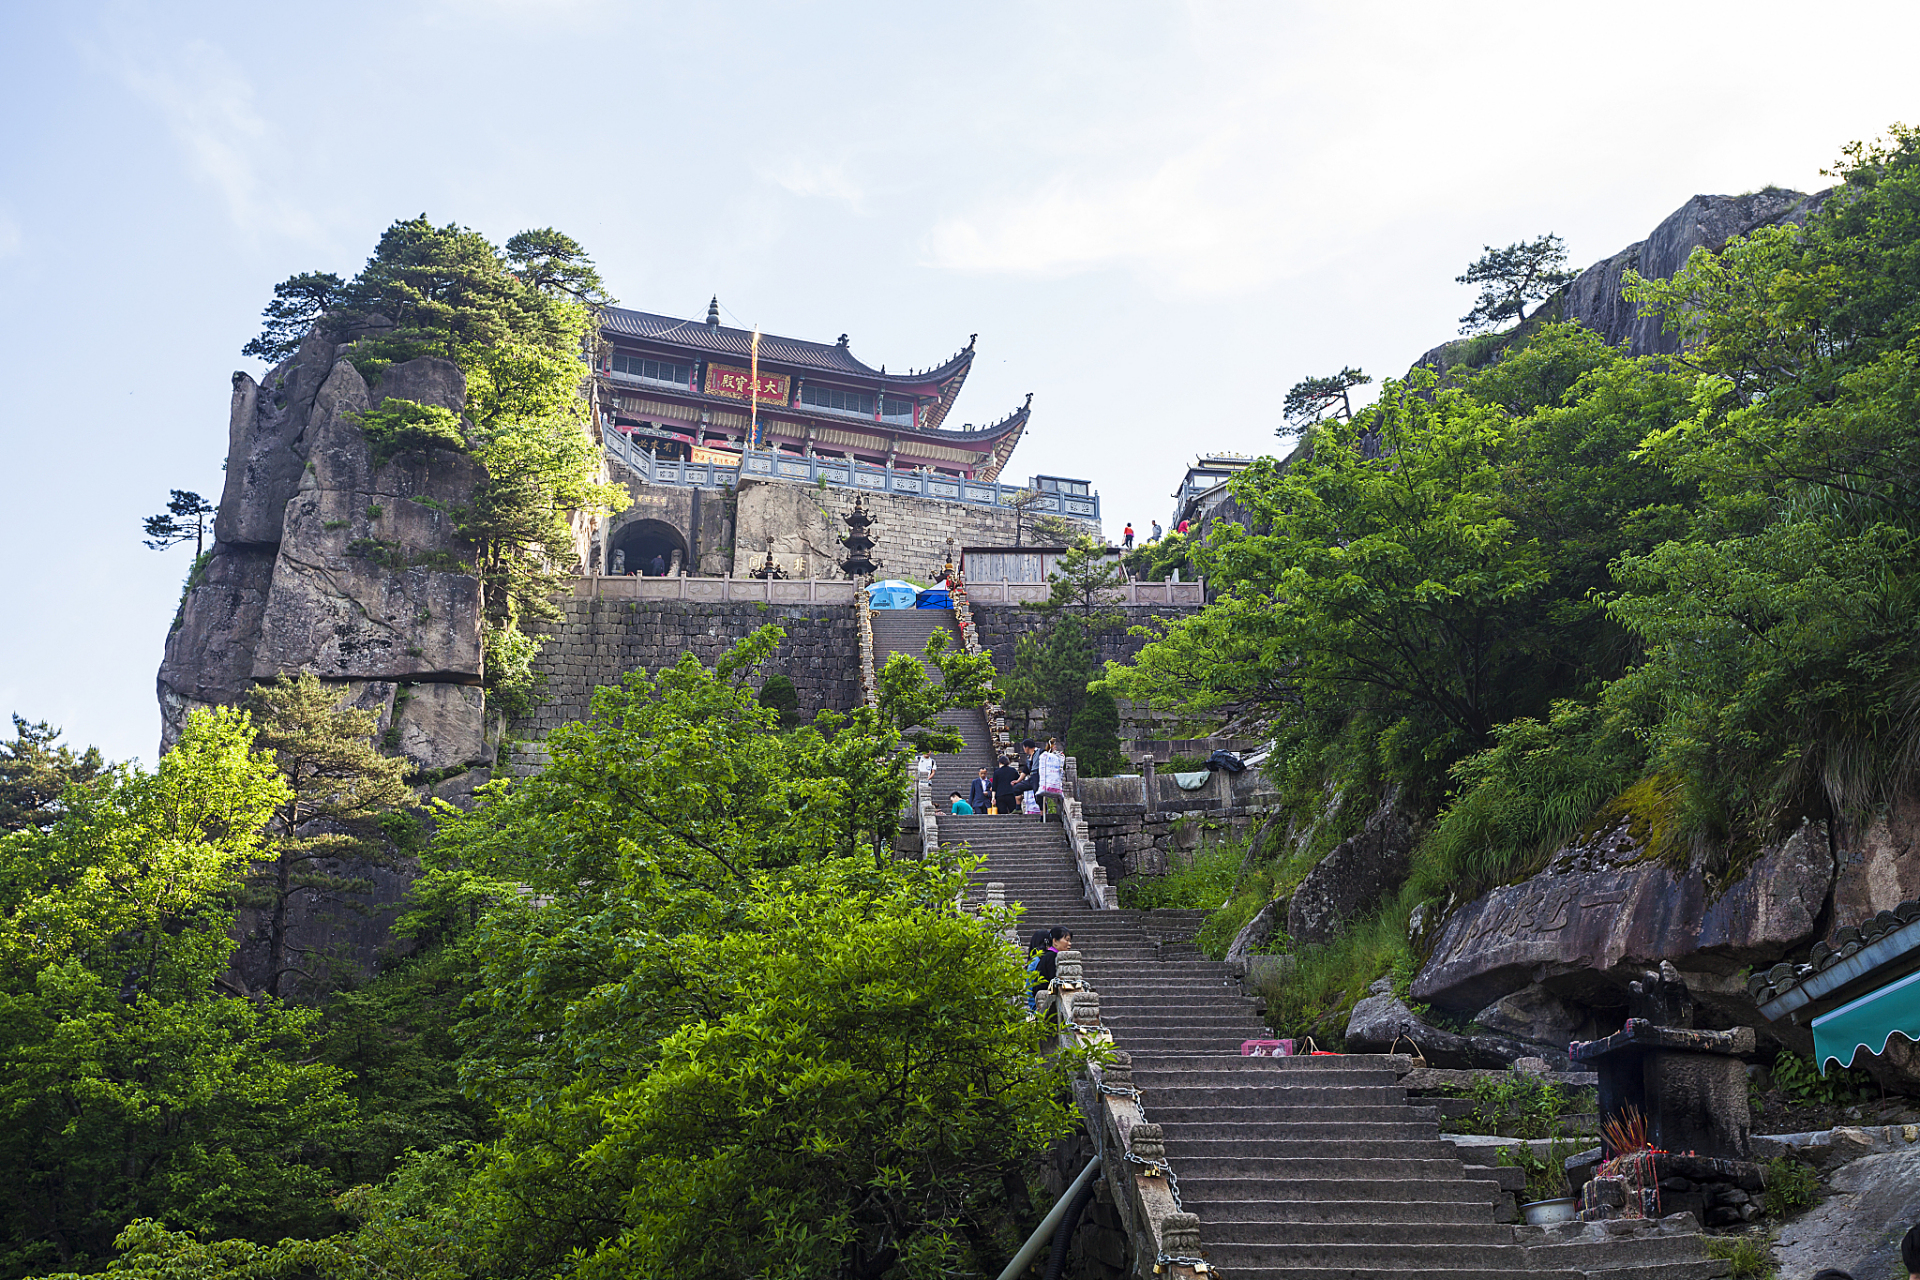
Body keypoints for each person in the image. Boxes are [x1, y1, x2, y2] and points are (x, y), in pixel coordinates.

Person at [1036, 737, 1066, 821]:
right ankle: (1043, 816)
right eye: (1054, 746)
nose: (1055, 747)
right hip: (1046, 780)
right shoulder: (1045, 755)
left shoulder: (1057, 756)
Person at [991, 751, 1025, 816]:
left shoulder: (997, 772)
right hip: (1011, 794)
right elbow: (1018, 781)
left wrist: (993, 797)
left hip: (1000, 795)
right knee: (1013, 812)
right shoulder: (1013, 770)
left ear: (1000, 763)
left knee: (1002, 814)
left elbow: (994, 786)